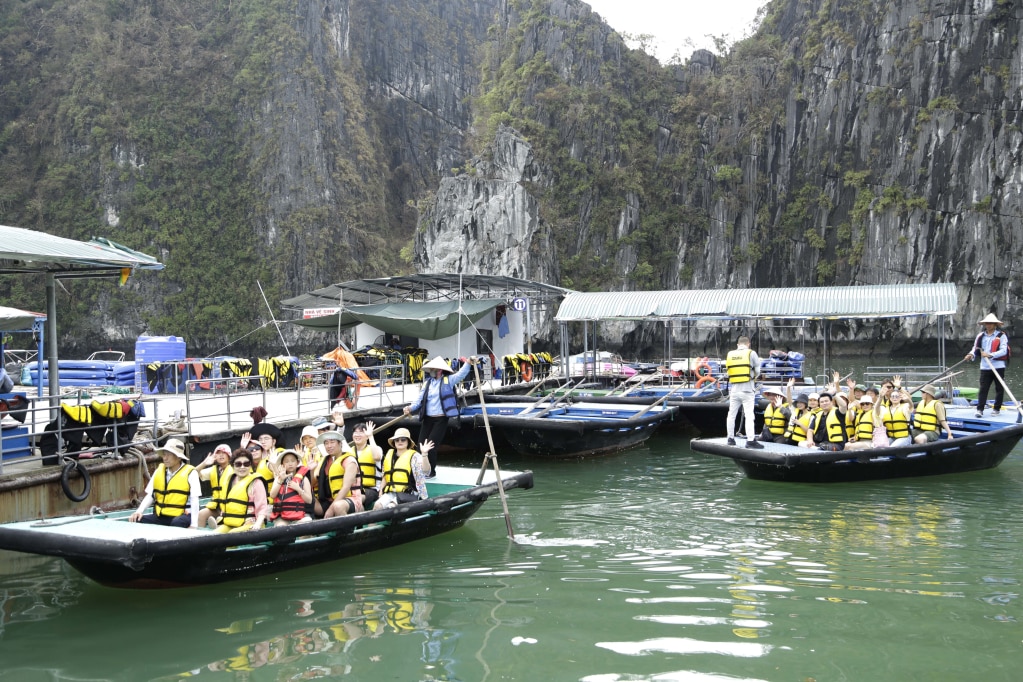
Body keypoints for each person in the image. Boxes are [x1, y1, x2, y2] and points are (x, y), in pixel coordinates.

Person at [403, 355, 475, 472]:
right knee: (420, 446)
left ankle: (431, 471)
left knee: (430, 447)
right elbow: (419, 399)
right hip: (427, 419)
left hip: (440, 419)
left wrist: (468, 363)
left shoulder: (448, 380)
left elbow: (461, 375)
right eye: (430, 369)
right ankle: (419, 471)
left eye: (433, 369)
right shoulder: (428, 383)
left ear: (440, 370)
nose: (431, 371)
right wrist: (410, 408)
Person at [129, 438, 201, 528]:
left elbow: (195, 499)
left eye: (169, 455)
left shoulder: (191, 472)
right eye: (164, 454)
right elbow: (151, 495)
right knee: (136, 520)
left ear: (178, 457)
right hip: (162, 516)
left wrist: (194, 524)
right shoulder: (159, 471)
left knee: (177, 523)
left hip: (182, 515)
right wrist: (139, 511)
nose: (165, 458)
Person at [965, 312, 1010, 417]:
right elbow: (975, 348)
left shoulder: (1001, 336)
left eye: (990, 323)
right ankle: (980, 409)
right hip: (985, 367)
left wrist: (990, 354)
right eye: (986, 323)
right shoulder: (980, 336)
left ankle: (997, 409)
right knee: (983, 388)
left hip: (998, 366)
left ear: (995, 324)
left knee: (999, 388)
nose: (988, 325)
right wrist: (970, 355)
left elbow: (1004, 351)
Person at [377, 428, 434, 508]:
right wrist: (381, 491)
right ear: (394, 442)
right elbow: (385, 475)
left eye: (403, 440)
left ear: (408, 442)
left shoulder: (415, 456)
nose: (400, 442)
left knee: (392, 505)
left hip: (409, 494)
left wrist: (424, 454)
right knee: (377, 505)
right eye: (397, 440)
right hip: (391, 492)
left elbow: (426, 471)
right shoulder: (389, 454)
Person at [215, 449, 269, 532]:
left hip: (251, 524)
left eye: (246, 464)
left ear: (250, 465)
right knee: (215, 534)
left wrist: (257, 524)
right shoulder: (230, 480)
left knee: (233, 534)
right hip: (232, 523)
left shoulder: (256, 482)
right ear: (233, 466)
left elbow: (262, 507)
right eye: (238, 464)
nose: (242, 467)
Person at [724, 336, 762, 448]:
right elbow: (758, 371)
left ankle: (730, 438)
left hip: (734, 390)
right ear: (748, 344)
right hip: (747, 389)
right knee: (749, 415)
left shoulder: (730, 354)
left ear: (737, 344)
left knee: (731, 415)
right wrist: (754, 376)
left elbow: (728, 371)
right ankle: (750, 441)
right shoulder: (751, 353)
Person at [320, 432, 363, 518]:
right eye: (326, 443)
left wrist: (330, 509)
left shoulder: (349, 461)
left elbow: (346, 487)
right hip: (336, 499)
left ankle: (346, 531)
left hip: (353, 499)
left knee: (338, 506)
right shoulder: (329, 462)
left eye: (332, 442)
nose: (329, 446)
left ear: (340, 443)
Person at [268, 449, 313, 525]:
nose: (290, 464)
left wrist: (298, 489)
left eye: (292, 461)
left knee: (307, 521)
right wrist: (281, 480)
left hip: (299, 516)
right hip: (282, 517)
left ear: (297, 462)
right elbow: (272, 495)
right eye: (286, 461)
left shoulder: (304, 479)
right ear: (282, 464)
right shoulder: (278, 478)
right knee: (281, 526)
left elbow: (309, 500)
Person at [196, 443, 234, 528]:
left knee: (223, 519)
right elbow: (194, 473)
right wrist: (204, 463)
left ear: (229, 456)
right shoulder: (213, 470)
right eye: (218, 453)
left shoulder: (235, 468)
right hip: (217, 506)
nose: (221, 455)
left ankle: (218, 525)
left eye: (224, 453)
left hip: (231, 506)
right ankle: (200, 537)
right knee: (202, 514)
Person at [350, 421, 383, 509]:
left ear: (366, 436)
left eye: (361, 432)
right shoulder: (349, 451)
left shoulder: (376, 449)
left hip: (371, 489)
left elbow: (377, 457)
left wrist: (370, 436)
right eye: (355, 432)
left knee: (357, 499)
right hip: (353, 488)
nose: (357, 435)